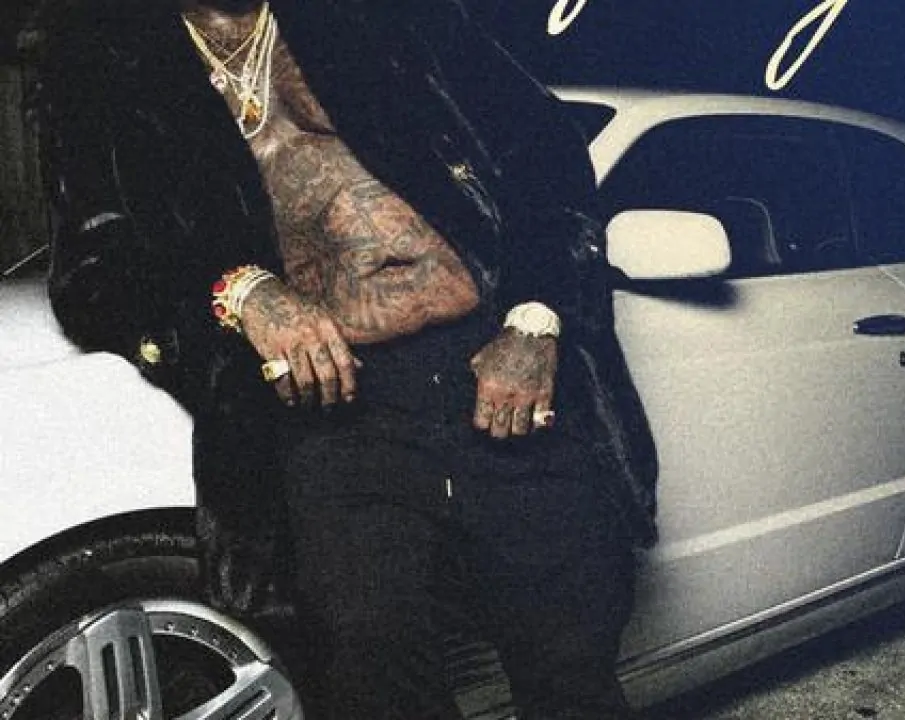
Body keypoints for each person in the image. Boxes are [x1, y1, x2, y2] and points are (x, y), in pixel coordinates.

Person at [33, 0, 658, 717]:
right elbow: (93, 272)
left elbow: (546, 152)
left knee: (570, 662)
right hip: (331, 406)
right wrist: (240, 293)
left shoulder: (381, 15)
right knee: (374, 672)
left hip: (490, 354)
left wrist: (535, 318)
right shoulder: (105, 70)